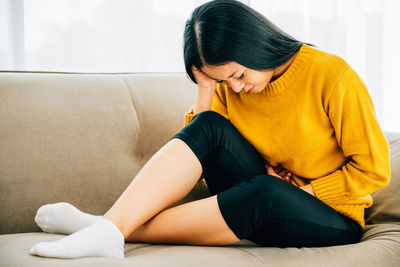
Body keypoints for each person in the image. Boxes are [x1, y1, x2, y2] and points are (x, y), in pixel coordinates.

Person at [29, 0, 390, 259]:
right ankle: (110, 230)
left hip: (332, 217)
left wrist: (303, 190)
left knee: (266, 190)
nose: (235, 88)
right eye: (223, 81)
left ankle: (104, 226)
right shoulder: (227, 85)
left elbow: (375, 169)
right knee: (210, 125)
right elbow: (202, 148)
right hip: (262, 198)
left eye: (238, 75)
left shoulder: (331, 75)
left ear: (256, 48)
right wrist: (206, 87)